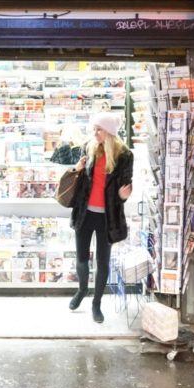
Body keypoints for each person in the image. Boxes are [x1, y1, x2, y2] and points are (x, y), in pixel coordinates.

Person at [67, 112, 133, 323]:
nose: (95, 133)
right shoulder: (90, 148)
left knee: (102, 262)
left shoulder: (125, 155)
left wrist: (124, 196)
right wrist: (76, 168)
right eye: (94, 129)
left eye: (99, 129)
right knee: (81, 259)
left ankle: (97, 303)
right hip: (85, 213)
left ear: (110, 132)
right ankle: (82, 290)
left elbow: (124, 187)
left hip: (108, 217)